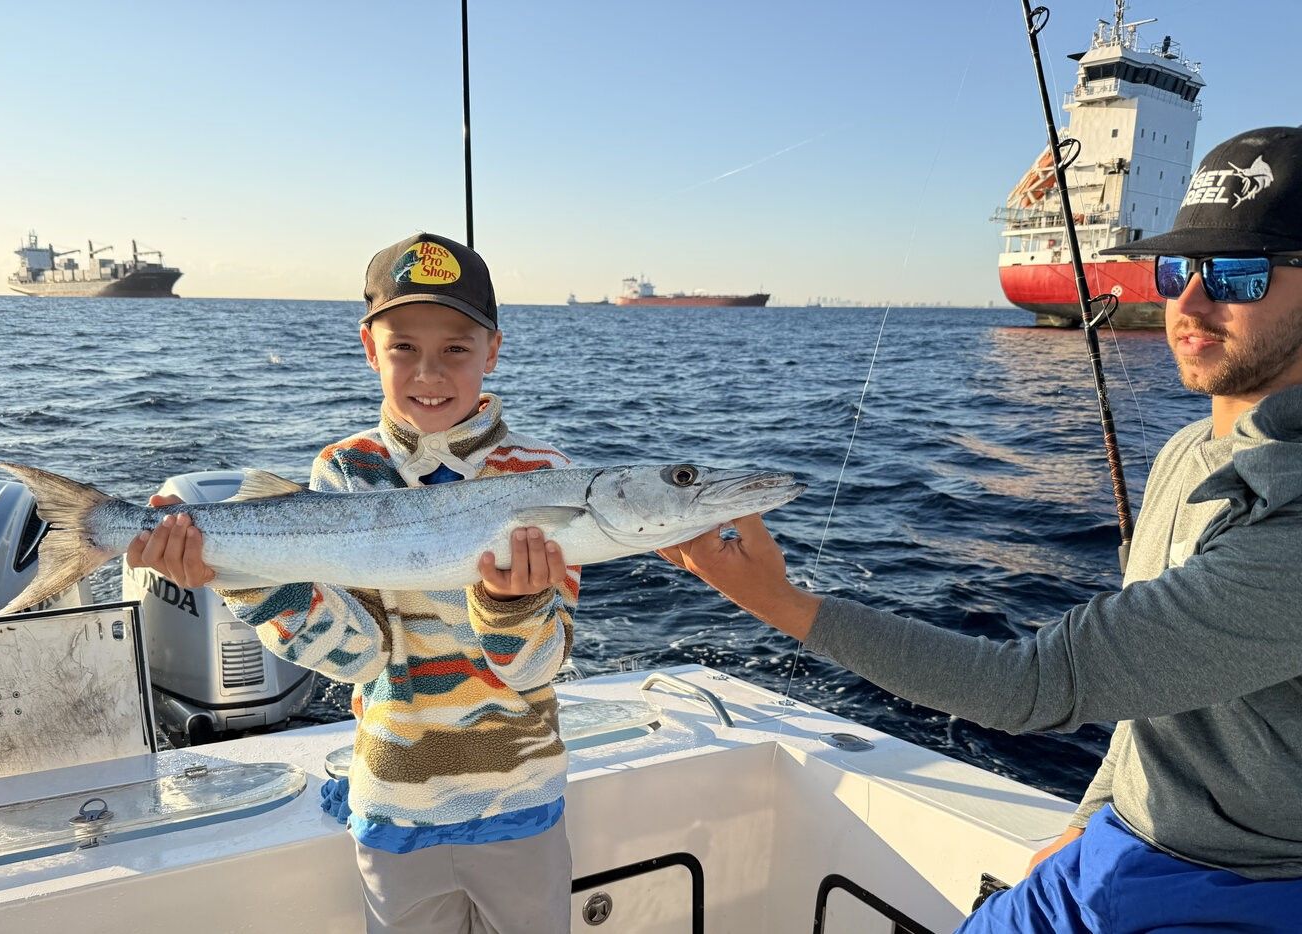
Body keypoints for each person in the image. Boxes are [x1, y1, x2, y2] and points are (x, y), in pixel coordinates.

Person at [659, 126, 1302, 932]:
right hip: (1122, 843)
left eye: (1239, 275)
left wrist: (779, 602)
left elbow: (1029, 686)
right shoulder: (1188, 449)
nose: (1189, 303)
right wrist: (1088, 819)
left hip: (1247, 888)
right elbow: (1156, 696)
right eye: (1176, 270)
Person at [128, 232, 581, 934]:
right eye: (404, 347)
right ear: (370, 349)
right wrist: (243, 581)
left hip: (520, 803)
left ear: (493, 351)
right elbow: (358, 656)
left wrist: (512, 605)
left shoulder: (546, 479)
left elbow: (541, 666)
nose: (429, 372)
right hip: (393, 805)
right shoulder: (344, 471)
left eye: (456, 348)